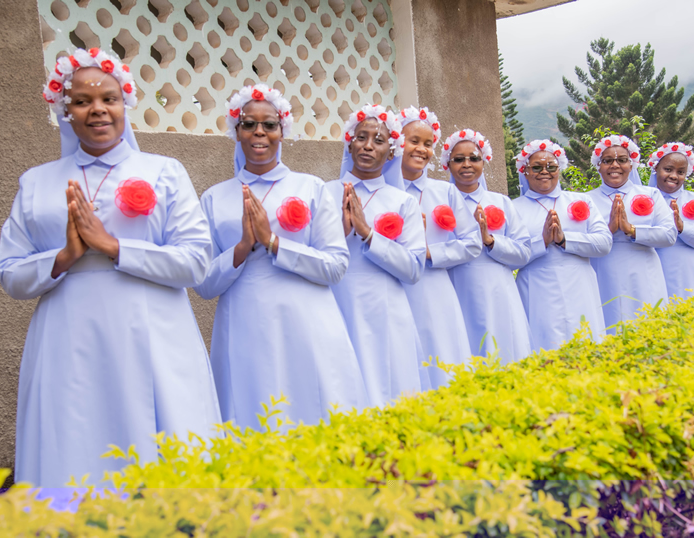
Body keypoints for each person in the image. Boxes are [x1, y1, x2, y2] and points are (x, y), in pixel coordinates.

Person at [0, 48, 220, 487]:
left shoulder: (164, 172)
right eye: (82, 101)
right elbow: (10, 273)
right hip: (68, 335)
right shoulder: (36, 182)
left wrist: (115, 247)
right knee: (75, 435)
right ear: (66, 110)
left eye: (109, 99)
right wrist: (62, 257)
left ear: (125, 104)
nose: (97, 109)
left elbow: (197, 262)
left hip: (153, 332)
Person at [194, 84, 368, 430]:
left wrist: (274, 243)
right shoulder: (214, 198)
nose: (259, 132)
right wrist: (243, 247)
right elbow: (203, 284)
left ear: (282, 131)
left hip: (308, 321)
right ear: (237, 132)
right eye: (249, 124)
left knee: (312, 409)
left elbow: (335, 266)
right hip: (244, 321)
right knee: (253, 414)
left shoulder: (312, 188)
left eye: (269, 124)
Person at [326, 105, 428, 406]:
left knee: (390, 388)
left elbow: (413, 269)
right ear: (350, 142)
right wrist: (343, 233)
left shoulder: (402, 202)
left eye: (379, 140)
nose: (368, 145)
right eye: (361, 137)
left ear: (391, 150)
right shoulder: (323, 192)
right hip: (335, 299)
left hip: (386, 306)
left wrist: (369, 234)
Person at [398, 113, 481, 388]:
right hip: (395, 289)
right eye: (414, 141)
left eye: (428, 143)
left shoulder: (444, 191)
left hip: (435, 290)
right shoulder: (383, 191)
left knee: (442, 363)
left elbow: (472, 243)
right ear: (396, 141)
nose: (422, 149)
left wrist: (429, 252)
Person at [442, 129, 533, 363]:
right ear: (447, 164)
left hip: (498, 291)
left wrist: (491, 241)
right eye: (458, 159)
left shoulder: (500, 201)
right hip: (456, 287)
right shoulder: (440, 202)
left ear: (484, 162)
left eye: (474, 158)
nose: (467, 164)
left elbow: (523, 254)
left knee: (503, 351)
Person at [512, 139, 612, 351]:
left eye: (551, 166)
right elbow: (509, 258)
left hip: (580, 284)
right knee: (544, 348)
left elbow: (604, 244)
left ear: (560, 169)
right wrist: (543, 242)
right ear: (525, 171)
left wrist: (565, 240)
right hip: (536, 286)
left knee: (587, 343)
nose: (544, 172)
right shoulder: (513, 207)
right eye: (536, 167)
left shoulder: (581, 200)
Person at [586, 135, 676, 331]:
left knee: (647, 324)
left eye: (622, 160)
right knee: (608, 326)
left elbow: (669, 235)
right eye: (608, 161)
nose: (615, 165)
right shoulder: (585, 200)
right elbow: (578, 241)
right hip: (603, 271)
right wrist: (608, 230)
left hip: (643, 270)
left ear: (632, 164)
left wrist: (631, 230)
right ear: (598, 166)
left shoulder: (651, 195)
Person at [647, 143, 694, 299]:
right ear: (655, 168)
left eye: (681, 172)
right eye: (668, 169)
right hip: (660, 272)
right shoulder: (644, 201)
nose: (674, 176)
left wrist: (683, 228)